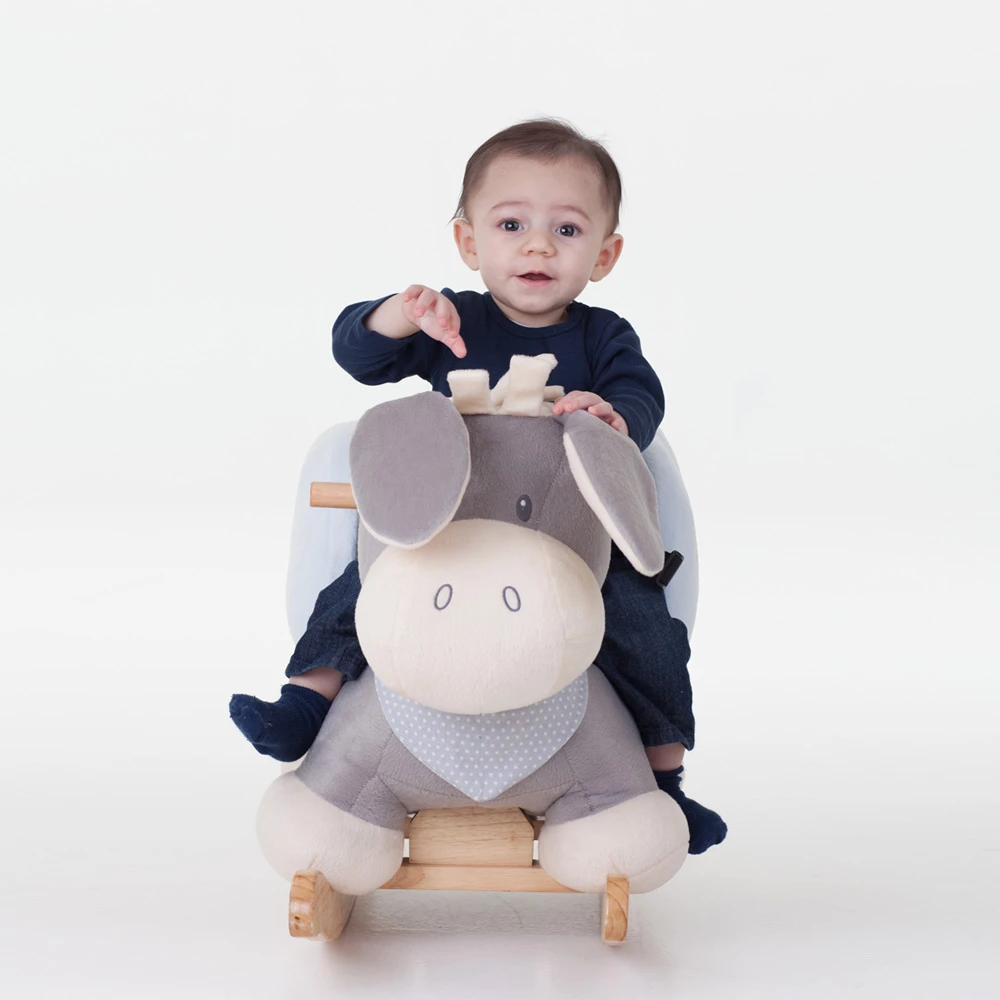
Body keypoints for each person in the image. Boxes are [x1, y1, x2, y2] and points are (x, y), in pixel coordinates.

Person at [230, 119, 726, 854]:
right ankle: (306, 700)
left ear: (605, 254)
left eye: (566, 229)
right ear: (469, 242)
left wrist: (614, 415)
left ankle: (662, 777)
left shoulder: (603, 335)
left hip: (561, 542)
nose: (537, 246)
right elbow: (358, 355)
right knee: (361, 586)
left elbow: (641, 394)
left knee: (644, 624)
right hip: (448, 527)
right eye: (511, 225)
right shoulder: (453, 319)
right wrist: (401, 316)